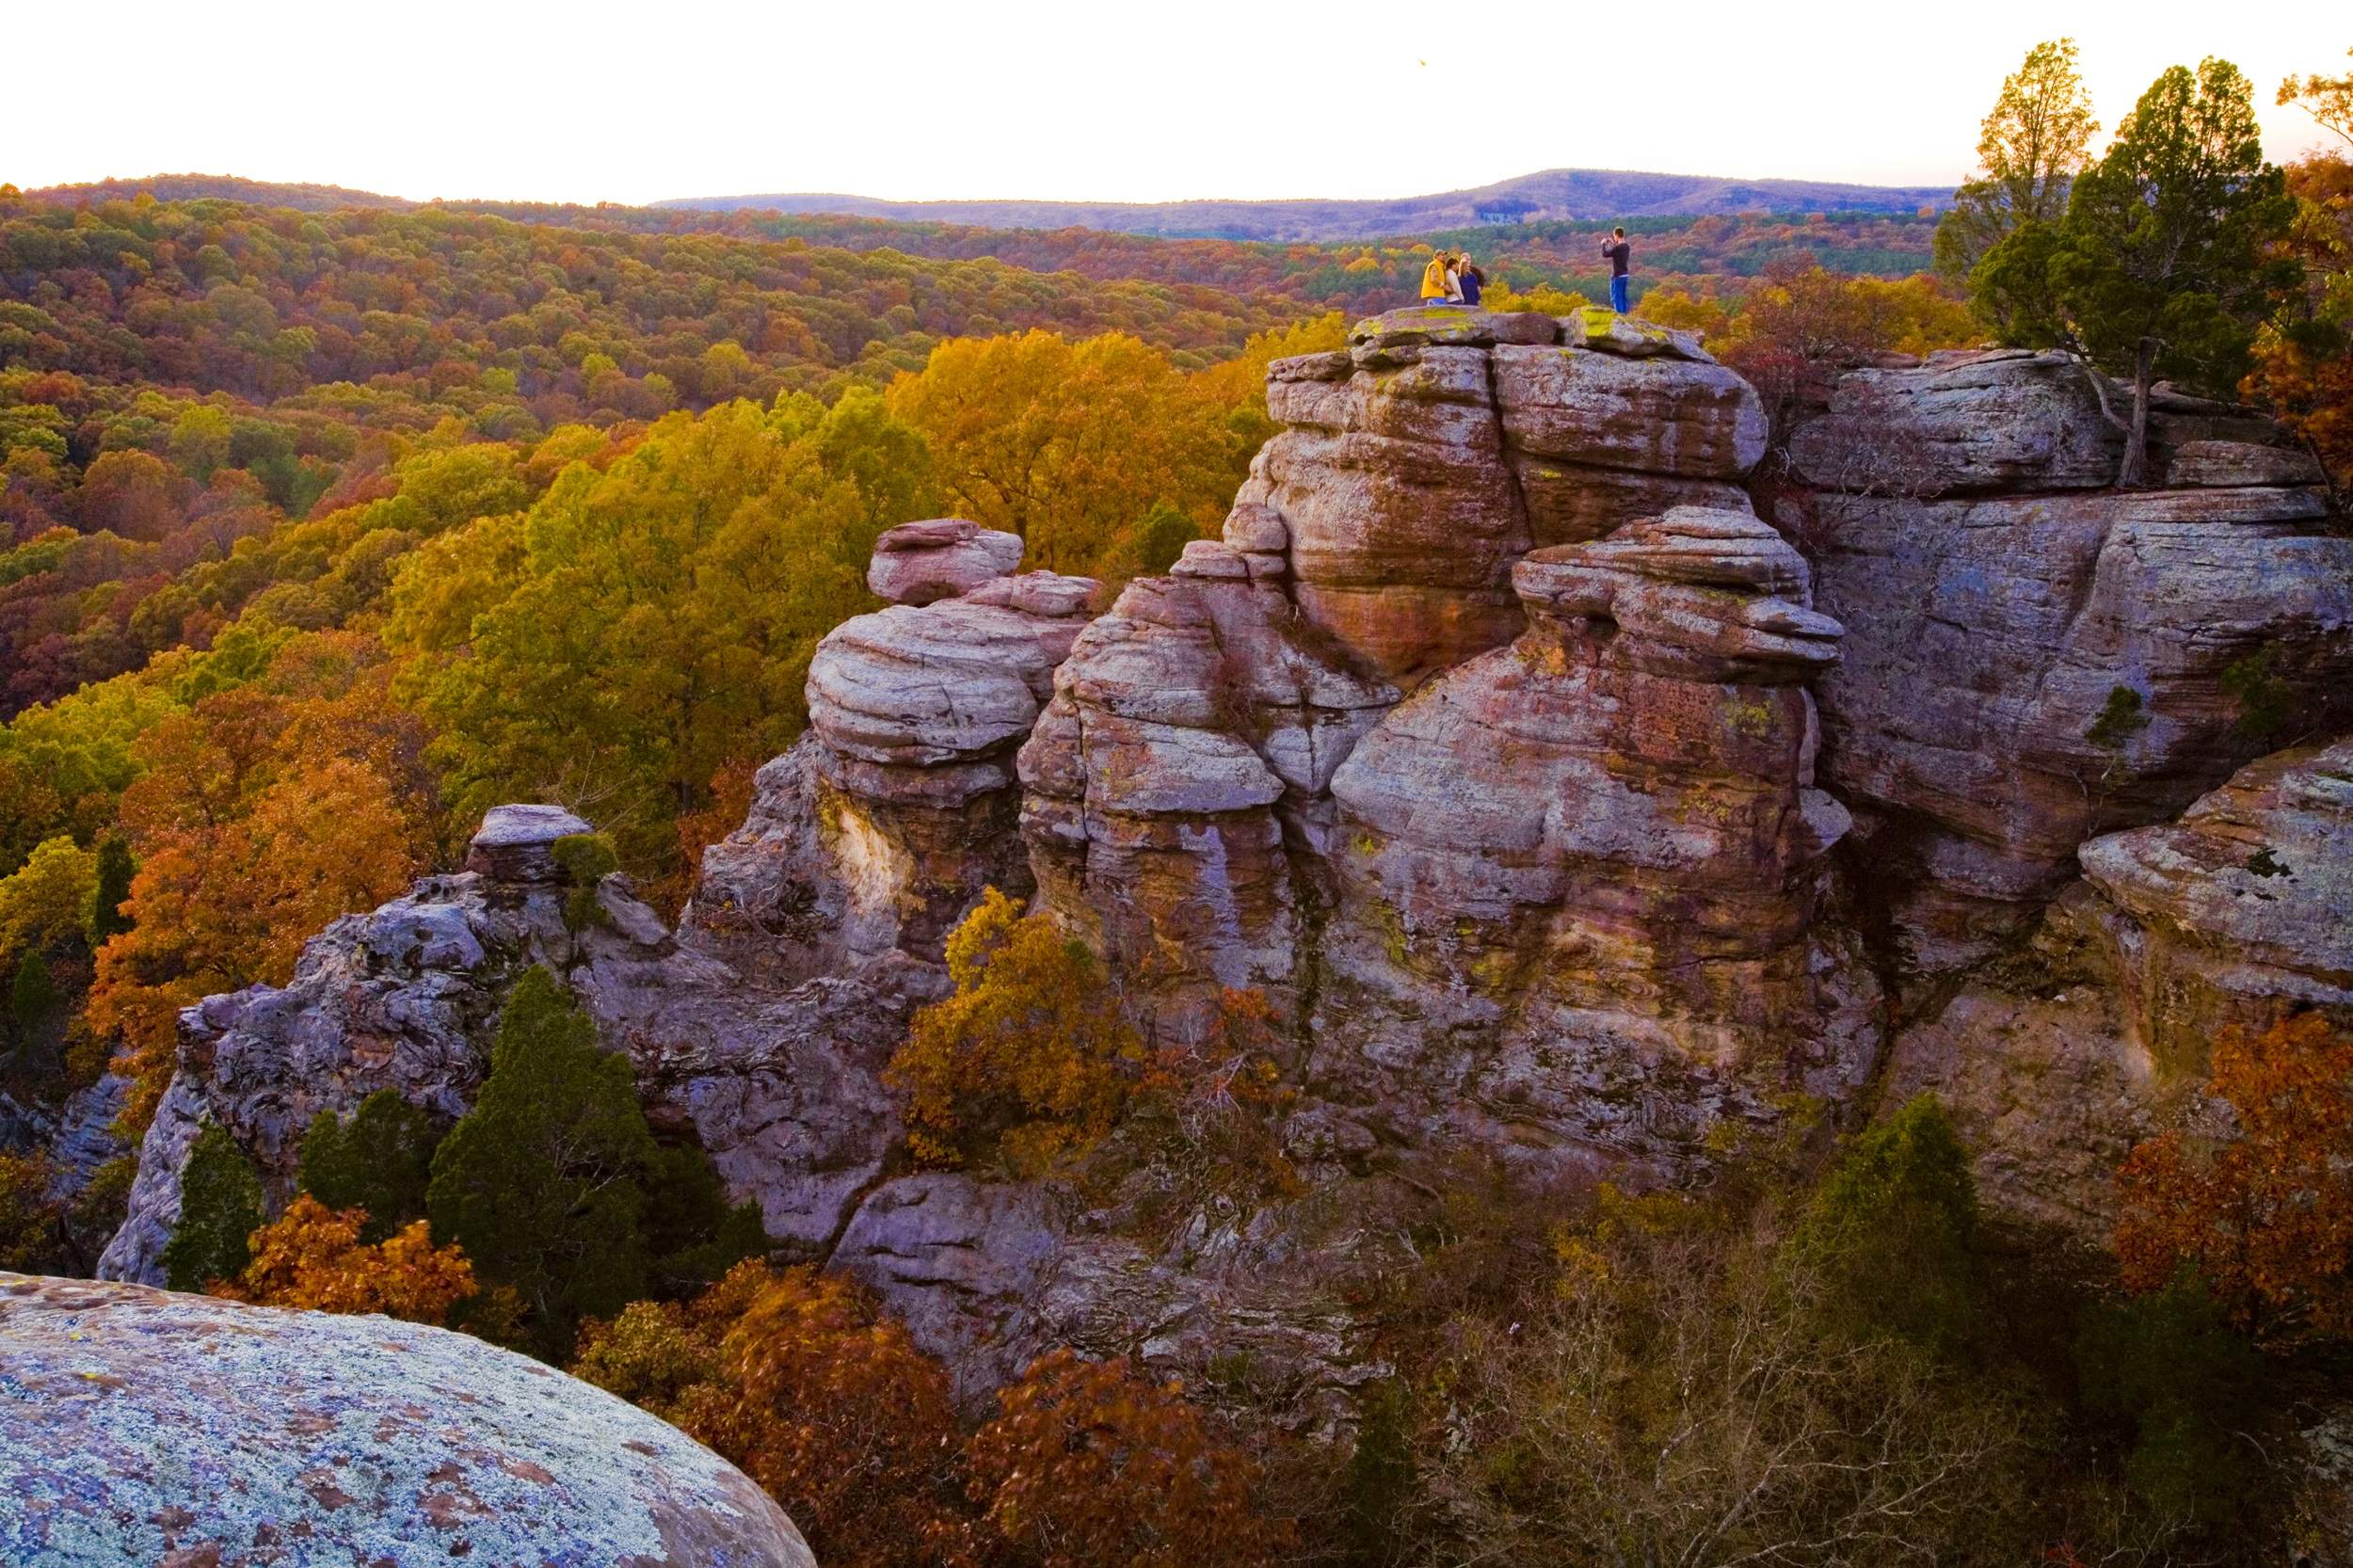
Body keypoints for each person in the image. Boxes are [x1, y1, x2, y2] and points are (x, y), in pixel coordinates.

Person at [1600, 227, 1632, 314]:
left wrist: (1603, 244)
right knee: (1623, 296)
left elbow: (1605, 254)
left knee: (1616, 297)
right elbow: (1618, 250)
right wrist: (1612, 243)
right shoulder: (1626, 247)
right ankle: (1625, 316)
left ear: (1617, 235)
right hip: (1625, 275)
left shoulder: (1618, 248)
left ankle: (1619, 317)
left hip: (1617, 276)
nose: (1614, 238)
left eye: (1614, 236)